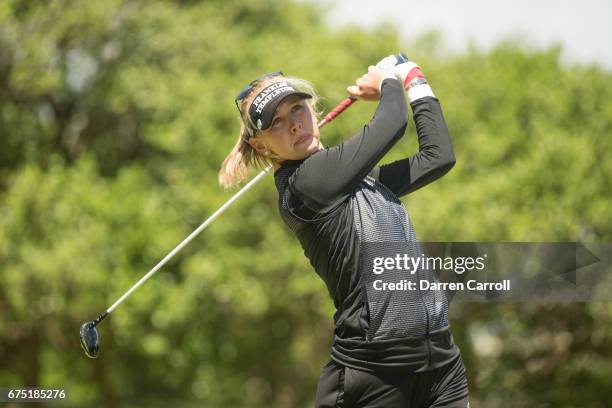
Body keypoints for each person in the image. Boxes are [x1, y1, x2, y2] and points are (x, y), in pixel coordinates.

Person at [219, 56, 469, 407]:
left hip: (441, 366)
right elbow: (393, 120)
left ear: (313, 111)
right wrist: (387, 83)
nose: (292, 124)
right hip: (374, 377)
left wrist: (416, 81)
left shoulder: (361, 182)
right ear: (261, 146)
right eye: (276, 123)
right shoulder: (307, 185)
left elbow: (438, 156)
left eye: (296, 109)